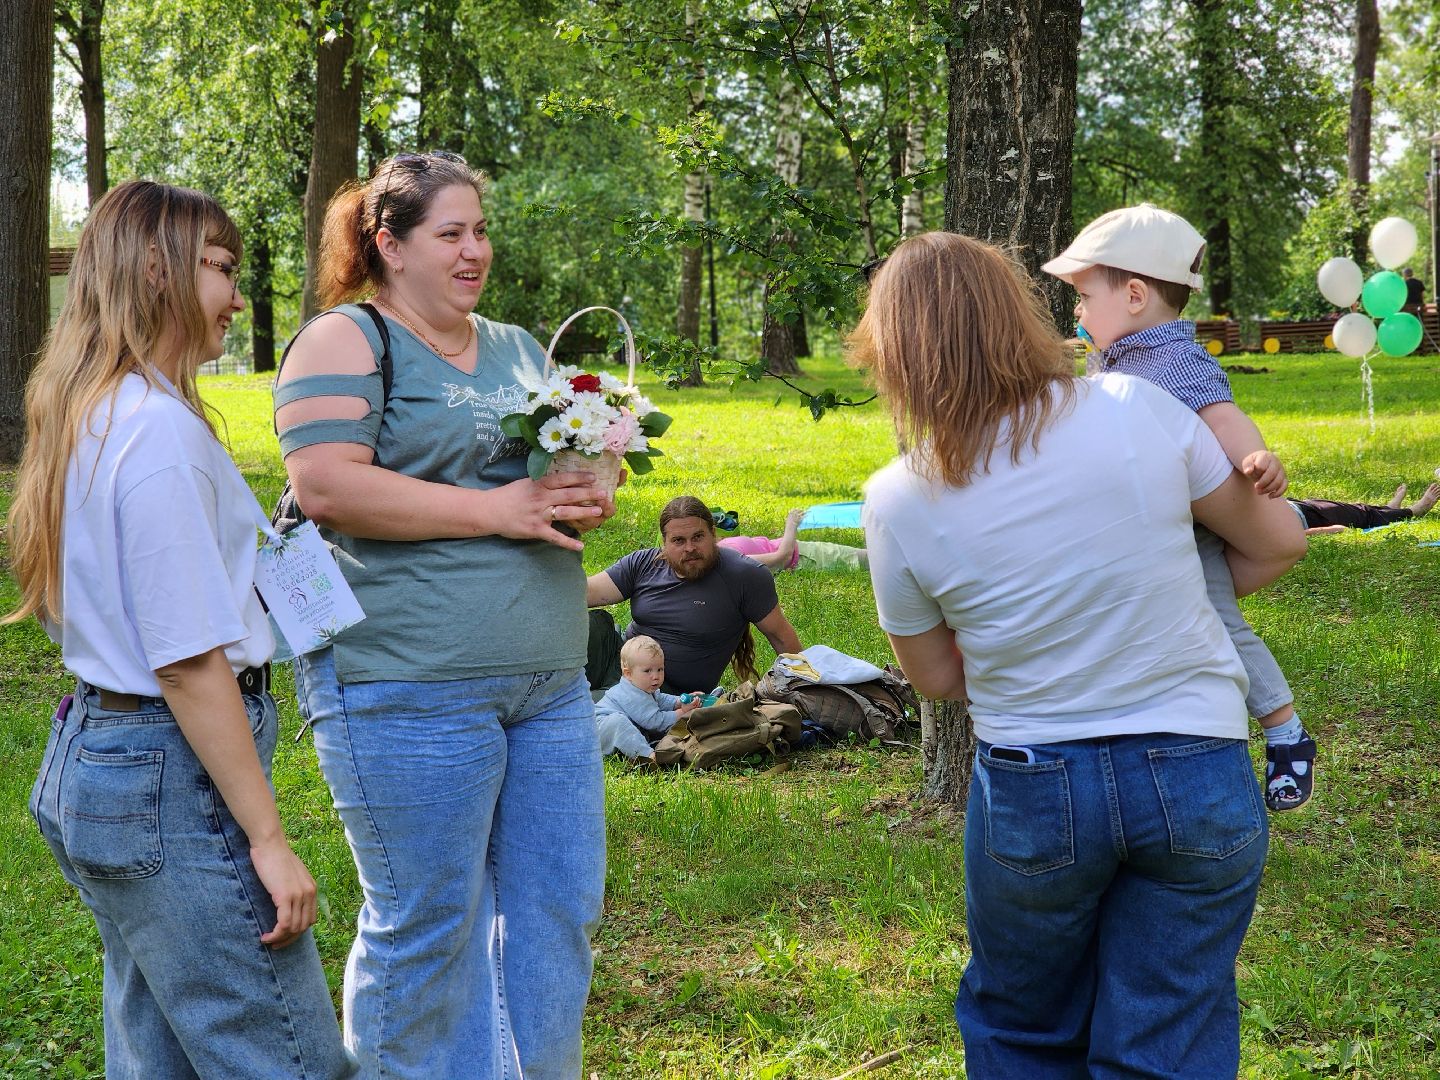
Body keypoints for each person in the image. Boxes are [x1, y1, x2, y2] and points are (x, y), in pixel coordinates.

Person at [857, 231, 1306, 1074]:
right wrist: (1149, 587)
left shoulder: (896, 496)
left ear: (894, 355)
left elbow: (936, 677)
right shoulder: (1140, 409)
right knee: (1170, 1029)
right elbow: (1278, 543)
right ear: (1017, 317)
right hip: (1197, 762)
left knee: (1023, 1023)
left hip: (1033, 781)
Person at [273, 151, 610, 1078]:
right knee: (429, 925)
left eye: (480, 231)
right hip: (408, 688)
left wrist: (586, 485)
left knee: (559, 909)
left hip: (548, 684)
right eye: (450, 233)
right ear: (389, 243)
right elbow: (329, 485)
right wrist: (495, 511)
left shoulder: (512, 345)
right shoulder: (346, 340)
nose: (475, 252)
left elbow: (558, 471)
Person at [7, 180, 354, 1078]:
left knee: (156, 1053)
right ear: (155, 269)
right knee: (289, 1058)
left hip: (100, 753)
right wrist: (269, 842)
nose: (240, 297)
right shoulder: (155, 432)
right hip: (169, 773)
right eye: (223, 269)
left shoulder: (91, 410)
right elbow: (189, 662)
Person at [1043, 203, 1315, 811]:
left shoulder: (1172, 360)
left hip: (1193, 532)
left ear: (1135, 295)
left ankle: (1285, 731)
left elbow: (1223, 416)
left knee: (1219, 623)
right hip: (1145, 528)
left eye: (1085, 296)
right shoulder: (1116, 355)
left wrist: (1256, 458)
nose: (1078, 311)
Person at [585, 496, 803, 695]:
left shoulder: (744, 575)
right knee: (587, 624)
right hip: (617, 660)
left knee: (580, 715)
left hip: (661, 692)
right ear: (665, 542)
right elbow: (585, 593)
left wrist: (808, 690)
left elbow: (781, 637)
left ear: (714, 534)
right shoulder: (644, 563)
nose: (689, 548)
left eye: (698, 537)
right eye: (678, 540)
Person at [593, 636, 700, 759]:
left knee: (631, 729)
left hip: (611, 730)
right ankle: (648, 756)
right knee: (618, 723)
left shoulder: (642, 687)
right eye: (648, 671)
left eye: (660, 669)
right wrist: (682, 712)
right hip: (599, 732)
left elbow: (661, 699)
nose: (656, 676)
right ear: (628, 674)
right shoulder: (630, 695)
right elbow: (656, 722)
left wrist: (679, 701)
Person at [718, 508, 869, 572]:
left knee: (871, 556)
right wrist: (792, 524)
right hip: (805, 558)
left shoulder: (718, 549)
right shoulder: (730, 560)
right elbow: (783, 557)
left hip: (804, 552)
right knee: (870, 559)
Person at [1292, 480, 1440, 534]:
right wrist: (1328, 530)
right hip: (1307, 517)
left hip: (1299, 507)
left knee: (1354, 509)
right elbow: (1291, 536)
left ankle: (1388, 508)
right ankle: (1415, 510)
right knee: (1364, 515)